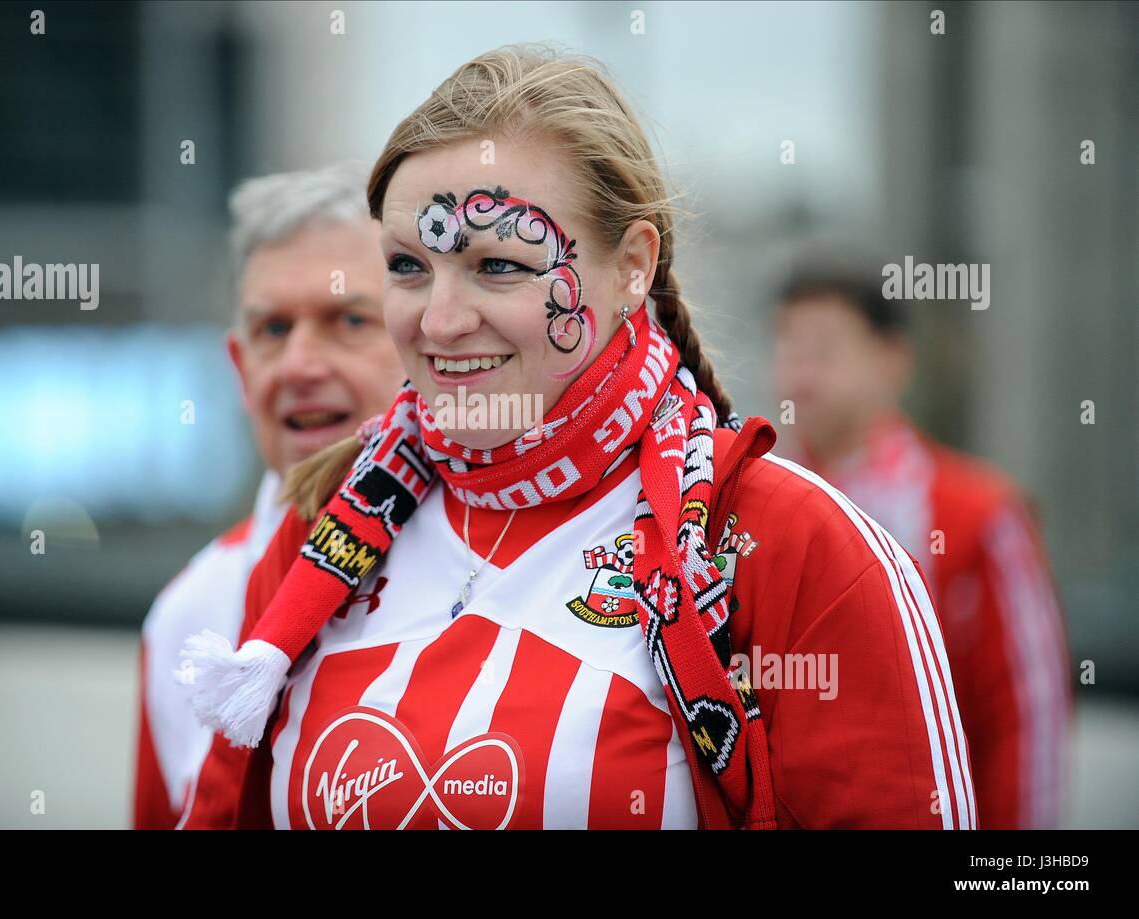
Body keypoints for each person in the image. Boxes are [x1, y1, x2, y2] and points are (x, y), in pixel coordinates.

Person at [177, 44, 975, 830]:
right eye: (408, 266)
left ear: (632, 265)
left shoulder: (796, 544)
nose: (440, 321)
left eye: (498, 265)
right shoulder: (324, 525)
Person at [133, 164, 405, 828]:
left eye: (348, 319)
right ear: (239, 364)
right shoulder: (185, 617)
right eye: (273, 330)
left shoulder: (498, 563)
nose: (300, 365)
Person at [772, 263, 1073, 829]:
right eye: (788, 345)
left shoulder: (980, 515)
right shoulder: (750, 505)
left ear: (893, 359)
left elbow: (1026, 719)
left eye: (825, 349)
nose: (801, 374)